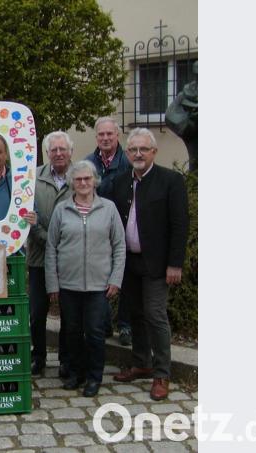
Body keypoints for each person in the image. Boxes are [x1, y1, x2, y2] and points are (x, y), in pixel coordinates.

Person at [109, 128, 189, 401]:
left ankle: (162, 373)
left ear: (154, 152)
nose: (138, 154)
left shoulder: (170, 180)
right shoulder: (120, 182)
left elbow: (180, 226)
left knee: (155, 315)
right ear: (127, 153)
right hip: (129, 261)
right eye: (133, 150)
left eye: (144, 149)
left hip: (157, 263)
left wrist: (175, 264)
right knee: (135, 313)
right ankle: (141, 362)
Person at [45, 160, 126, 397]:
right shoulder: (62, 210)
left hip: (99, 284)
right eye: (78, 179)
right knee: (71, 331)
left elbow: (119, 246)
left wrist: (116, 279)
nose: (83, 183)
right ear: (72, 182)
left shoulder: (108, 208)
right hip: (68, 284)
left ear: (94, 181)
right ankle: (75, 373)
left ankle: (94, 377)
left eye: (87, 179)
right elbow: (51, 248)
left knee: (94, 332)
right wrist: (53, 283)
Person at [24, 131, 74, 378]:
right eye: (53, 150)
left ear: (70, 152)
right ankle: (38, 357)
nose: (58, 153)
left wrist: (56, 240)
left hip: (69, 260)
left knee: (69, 312)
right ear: (47, 152)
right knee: (37, 311)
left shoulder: (80, 177)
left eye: (62, 149)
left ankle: (66, 359)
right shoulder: (33, 179)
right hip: (38, 258)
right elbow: (29, 219)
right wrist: (46, 236)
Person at [85, 117, 132, 345]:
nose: (105, 138)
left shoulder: (128, 162)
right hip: (97, 232)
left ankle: (125, 326)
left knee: (126, 280)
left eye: (109, 134)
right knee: (100, 280)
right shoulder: (88, 163)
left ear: (117, 136)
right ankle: (104, 325)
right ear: (96, 137)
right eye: (101, 134)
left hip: (124, 228)